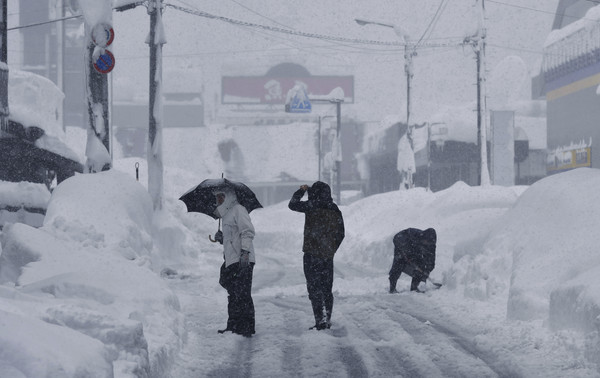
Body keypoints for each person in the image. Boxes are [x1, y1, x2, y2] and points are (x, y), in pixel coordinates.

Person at [288, 181, 345, 330]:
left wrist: (301, 191)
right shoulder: (334, 208)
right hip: (327, 255)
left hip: (311, 254)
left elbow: (292, 204)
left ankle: (320, 320)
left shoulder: (311, 205)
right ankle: (327, 318)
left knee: (314, 288)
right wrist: (331, 248)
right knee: (327, 288)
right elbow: (341, 233)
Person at [213, 189, 256, 337]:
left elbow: (248, 231)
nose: (218, 199)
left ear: (229, 196)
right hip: (231, 260)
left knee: (242, 294)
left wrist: (245, 252)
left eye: (221, 196)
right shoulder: (225, 215)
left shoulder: (238, 209)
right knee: (233, 294)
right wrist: (222, 238)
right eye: (217, 197)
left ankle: (247, 327)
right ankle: (233, 325)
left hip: (242, 259)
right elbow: (232, 238)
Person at [389, 228, 437, 293]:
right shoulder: (412, 234)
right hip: (402, 250)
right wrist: (405, 252)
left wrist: (427, 270)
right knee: (398, 265)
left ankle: (414, 288)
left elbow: (431, 259)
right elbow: (396, 238)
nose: (427, 244)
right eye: (426, 241)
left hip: (415, 253)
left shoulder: (431, 245)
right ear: (423, 237)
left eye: (429, 243)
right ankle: (392, 288)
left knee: (421, 266)